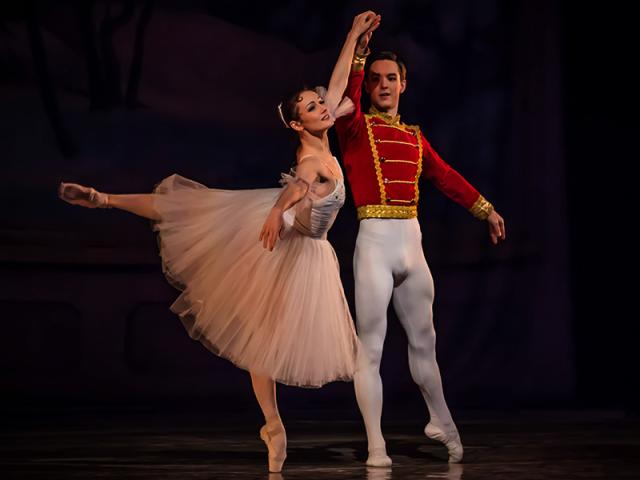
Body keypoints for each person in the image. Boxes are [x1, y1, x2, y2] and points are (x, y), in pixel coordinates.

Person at [57, 11, 381, 473]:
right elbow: (301, 185)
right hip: (284, 233)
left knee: (260, 335)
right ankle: (103, 198)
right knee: (189, 215)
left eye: (319, 103)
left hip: (302, 239)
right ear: (296, 125)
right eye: (311, 107)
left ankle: (271, 425)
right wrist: (275, 209)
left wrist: (353, 35)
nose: (323, 107)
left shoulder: (325, 127)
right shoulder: (315, 160)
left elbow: (337, 87)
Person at [334, 36, 506, 466]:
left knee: (425, 342)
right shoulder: (355, 128)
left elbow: (445, 175)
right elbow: (347, 93)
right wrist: (357, 45)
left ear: (404, 84)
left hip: (412, 247)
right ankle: (376, 444)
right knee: (370, 348)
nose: (383, 85)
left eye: (391, 78)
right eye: (375, 80)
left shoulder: (414, 139)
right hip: (374, 245)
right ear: (368, 88)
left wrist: (485, 210)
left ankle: (440, 420)